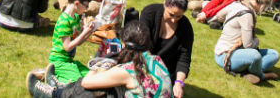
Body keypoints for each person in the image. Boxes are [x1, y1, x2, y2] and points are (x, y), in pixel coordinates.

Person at [29, 20, 173, 98]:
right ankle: (61, 88)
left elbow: (87, 82)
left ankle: (53, 94)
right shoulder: (156, 60)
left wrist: (101, 61)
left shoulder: (128, 71)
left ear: (123, 43)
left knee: (92, 90)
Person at [213, 0, 278, 85]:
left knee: (274, 54)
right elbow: (248, 45)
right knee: (255, 56)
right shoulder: (247, 15)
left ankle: (248, 70)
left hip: (234, 51)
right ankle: (261, 75)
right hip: (226, 55)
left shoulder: (237, 3)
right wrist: (257, 40)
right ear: (262, 5)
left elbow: (219, 16)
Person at [140, 0, 193, 98]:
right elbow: (141, 45)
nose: (174, 20)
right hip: (144, 64)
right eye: (171, 14)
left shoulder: (186, 27)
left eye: (179, 16)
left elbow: (184, 59)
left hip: (167, 73)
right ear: (164, 4)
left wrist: (179, 83)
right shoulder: (149, 13)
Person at [47, 0, 96, 84]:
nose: (86, 9)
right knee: (77, 83)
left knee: (91, 77)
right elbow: (67, 47)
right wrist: (84, 33)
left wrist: (88, 32)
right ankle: (52, 75)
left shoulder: (75, 18)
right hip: (59, 62)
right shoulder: (64, 21)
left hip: (69, 61)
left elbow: (78, 42)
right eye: (85, 6)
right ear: (77, 4)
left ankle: (55, 74)